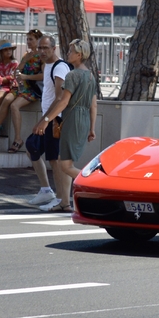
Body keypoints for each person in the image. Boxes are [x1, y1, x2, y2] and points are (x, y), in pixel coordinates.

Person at [33, 39, 97, 212]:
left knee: (64, 165)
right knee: (65, 161)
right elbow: (94, 105)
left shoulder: (72, 75)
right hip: (82, 121)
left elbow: (62, 101)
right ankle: (65, 202)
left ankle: (96, 184)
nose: (67, 54)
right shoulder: (90, 75)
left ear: (79, 55)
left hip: (71, 119)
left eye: (70, 51)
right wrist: (91, 128)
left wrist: (46, 121)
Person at [25, 35, 72, 210]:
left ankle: (61, 199)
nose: (42, 51)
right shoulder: (47, 66)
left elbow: (60, 98)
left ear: (54, 48)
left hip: (55, 120)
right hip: (49, 119)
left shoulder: (60, 68)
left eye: (45, 48)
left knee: (55, 160)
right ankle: (47, 190)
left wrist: (45, 120)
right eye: (40, 48)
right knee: (32, 147)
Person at [0, 30, 44, 151]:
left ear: (38, 40)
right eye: (27, 39)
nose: (28, 42)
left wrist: (26, 77)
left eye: (31, 39)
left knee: (14, 106)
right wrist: (24, 61)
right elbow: (17, 70)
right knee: (6, 99)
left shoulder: (42, 56)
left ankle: (18, 139)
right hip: (22, 86)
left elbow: (44, 76)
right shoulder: (26, 55)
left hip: (33, 89)